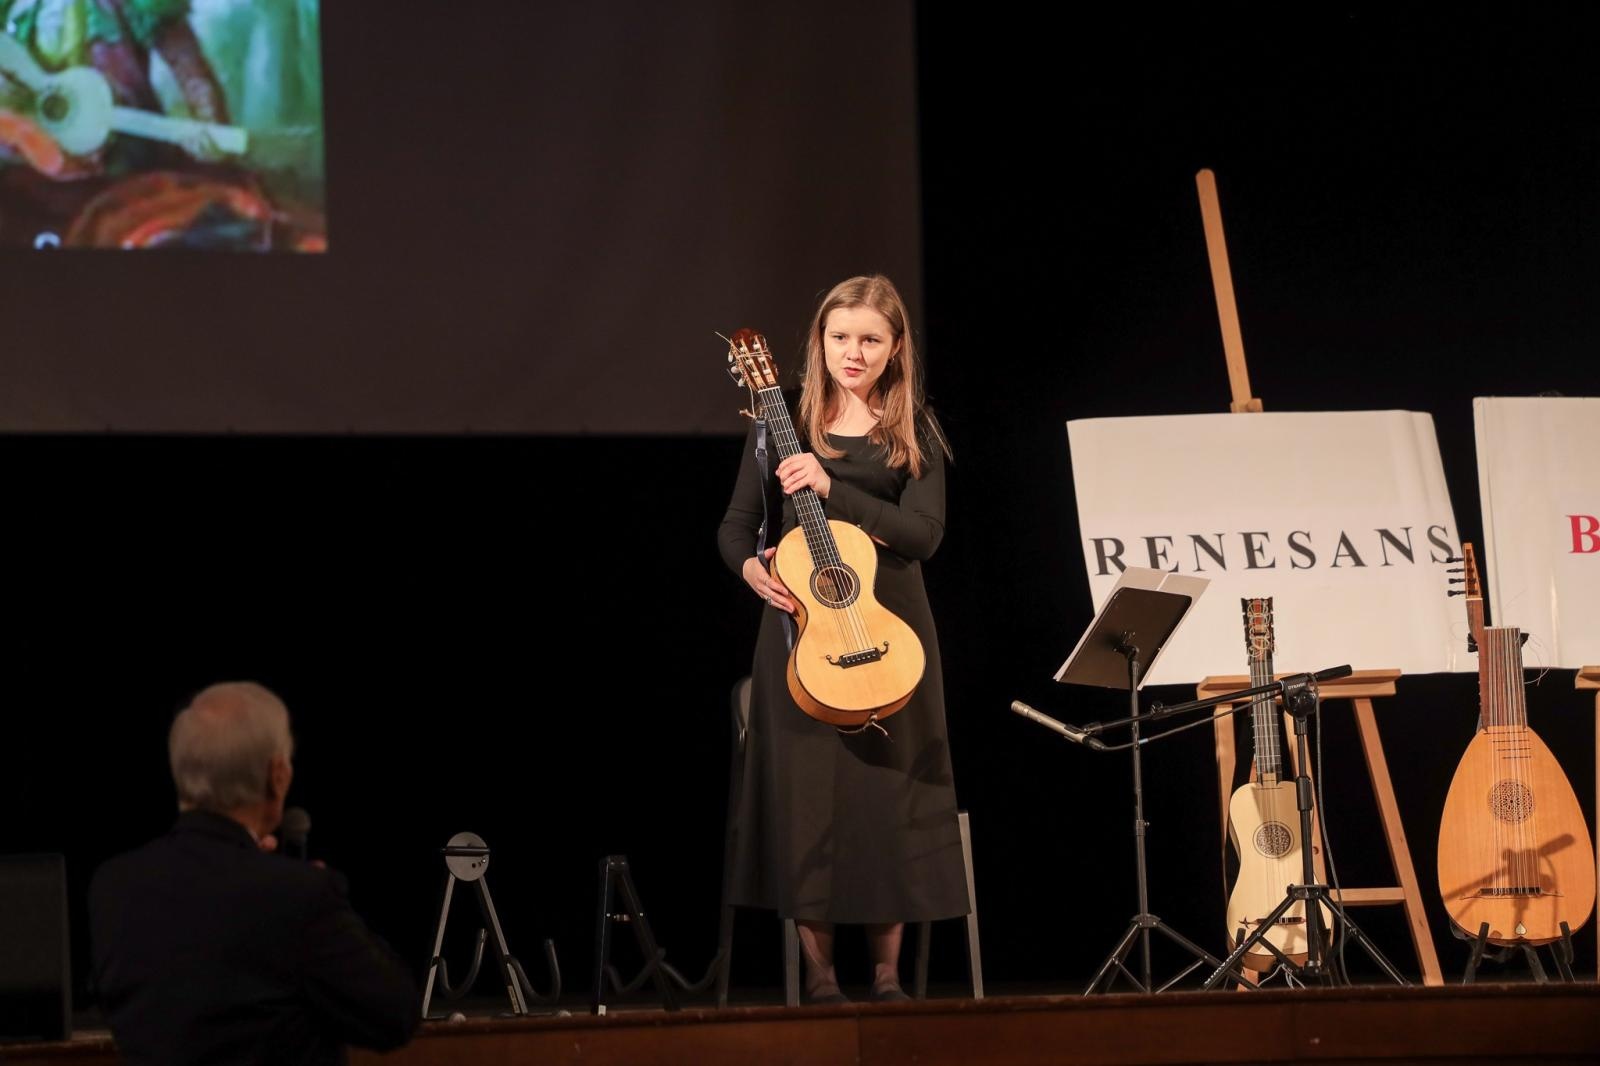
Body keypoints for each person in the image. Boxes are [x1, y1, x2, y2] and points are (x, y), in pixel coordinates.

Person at [717, 274, 969, 1003]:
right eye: (839, 337)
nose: (852, 352)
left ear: (895, 349)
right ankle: (821, 978)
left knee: (890, 799)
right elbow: (735, 523)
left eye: (869, 339)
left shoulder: (912, 428)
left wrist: (834, 490)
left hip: (891, 632)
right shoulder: (781, 420)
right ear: (818, 342)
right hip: (801, 631)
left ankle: (888, 977)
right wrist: (748, 571)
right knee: (806, 800)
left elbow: (923, 536)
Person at [88, 681, 419, 1065]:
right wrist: (325, 903)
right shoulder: (298, 896)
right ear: (277, 775)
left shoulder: (112, 886)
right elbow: (395, 1016)